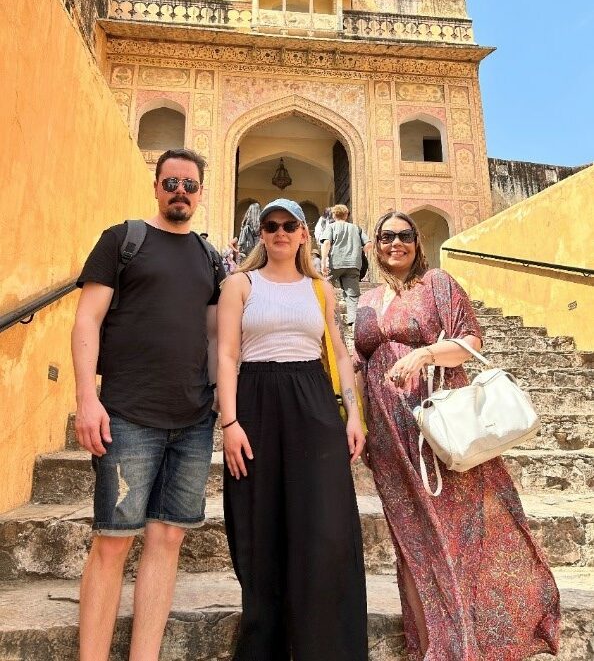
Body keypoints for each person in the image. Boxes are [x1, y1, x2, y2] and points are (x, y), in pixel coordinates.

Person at [353, 210, 560, 661]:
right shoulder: (367, 301)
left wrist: (424, 354)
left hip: (437, 427)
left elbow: (471, 341)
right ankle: (430, 644)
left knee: (454, 528)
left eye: (404, 236)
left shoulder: (438, 284)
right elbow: (358, 360)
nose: (395, 244)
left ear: (417, 242)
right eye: (386, 236)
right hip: (387, 436)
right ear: (374, 244)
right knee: (408, 535)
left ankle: (468, 638)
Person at [71, 148, 225, 661]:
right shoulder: (123, 240)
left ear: (201, 192)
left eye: (190, 184)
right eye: (171, 182)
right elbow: (87, 320)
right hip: (128, 415)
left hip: (193, 420)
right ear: (156, 187)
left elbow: (214, 337)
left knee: (167, 541)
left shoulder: (209, 258)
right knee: (113, 542)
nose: (180, 191)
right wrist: (86, 399)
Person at [217, 197, 368, 661]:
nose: (280, 232)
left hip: (313, 400)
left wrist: (354, 413)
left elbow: (340, 354)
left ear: (305, 233)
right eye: (271, 225)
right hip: (256, 401)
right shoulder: (239, 285)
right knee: (258, 522)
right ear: (260, 233)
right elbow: (226, 354)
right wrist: (230, 422)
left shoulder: (319, 289)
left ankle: (323, 644)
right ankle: (267, 641)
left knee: (323, 524)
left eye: (289, 225)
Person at [320, 204, 372, 326]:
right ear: (347, 215)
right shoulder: (356, 228)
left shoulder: (331, 227)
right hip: (353, 264)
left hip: (336, 263)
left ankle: (325, 317)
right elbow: (369, 244)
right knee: (352, 294)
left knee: (324, 287)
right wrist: (359, 252)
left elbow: (326, 243)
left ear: (333, 215)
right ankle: (352, 321)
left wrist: (323, 261)